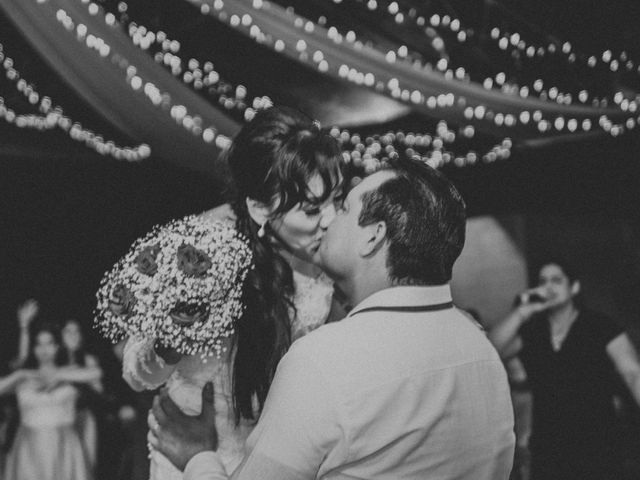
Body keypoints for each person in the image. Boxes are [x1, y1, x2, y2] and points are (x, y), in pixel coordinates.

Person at [149, 158, 516, 479]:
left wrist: (197, 456)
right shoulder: (483, 354)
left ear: (372, 237)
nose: (328, 220)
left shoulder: (324, 360)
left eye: (344, 209)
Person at [120, 106, 346, 479]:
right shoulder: (200, 252)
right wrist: (171, 338)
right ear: (259, 207)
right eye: (311, 209)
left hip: (279, 459)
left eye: (337, 199)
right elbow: (137, 375)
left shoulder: (325, 255)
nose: (331, 218)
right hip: (192, 450)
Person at [487, 259, 640, 480]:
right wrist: (523, 311)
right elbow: (492, 350)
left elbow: (632, 372)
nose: (548, 286)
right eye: (543, 281)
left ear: (574, 287)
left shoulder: (598, 325)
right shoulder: (534, 331)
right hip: (549, 448)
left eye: (557, 280)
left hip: (598, 444)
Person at [3, 323, 98, 480]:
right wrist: (19, 374)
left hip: (64, 447)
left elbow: (95, 374)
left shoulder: (70, 371)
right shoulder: (24, 378)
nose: (44, 349)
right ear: (33, 348)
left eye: (49, 343)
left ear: (57, 346)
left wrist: (59, 375)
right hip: (29, 449)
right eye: (39, 344)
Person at [60, 319, 103, 472]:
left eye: (76, 331)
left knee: (85, 465)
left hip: (83, 417)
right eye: (68, 331)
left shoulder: (88, 360)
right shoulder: (54, 360)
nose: (73, 335)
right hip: (60, 420)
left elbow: (99, 391)